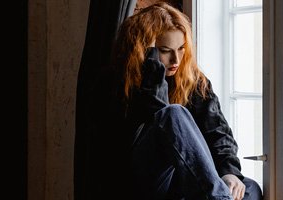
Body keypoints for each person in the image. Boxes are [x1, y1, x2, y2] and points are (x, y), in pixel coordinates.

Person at [101, 2, 263, 200]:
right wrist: (153, 69)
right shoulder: (121, 83)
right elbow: (157, 120)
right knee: (172, 113)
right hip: (147, 184)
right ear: (144, 50)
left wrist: (229, 172)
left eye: (181, 48)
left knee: (248, 187)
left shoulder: (192, 80)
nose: (176, 59)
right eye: (164, 50)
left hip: (187, 184)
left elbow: (218, 133)